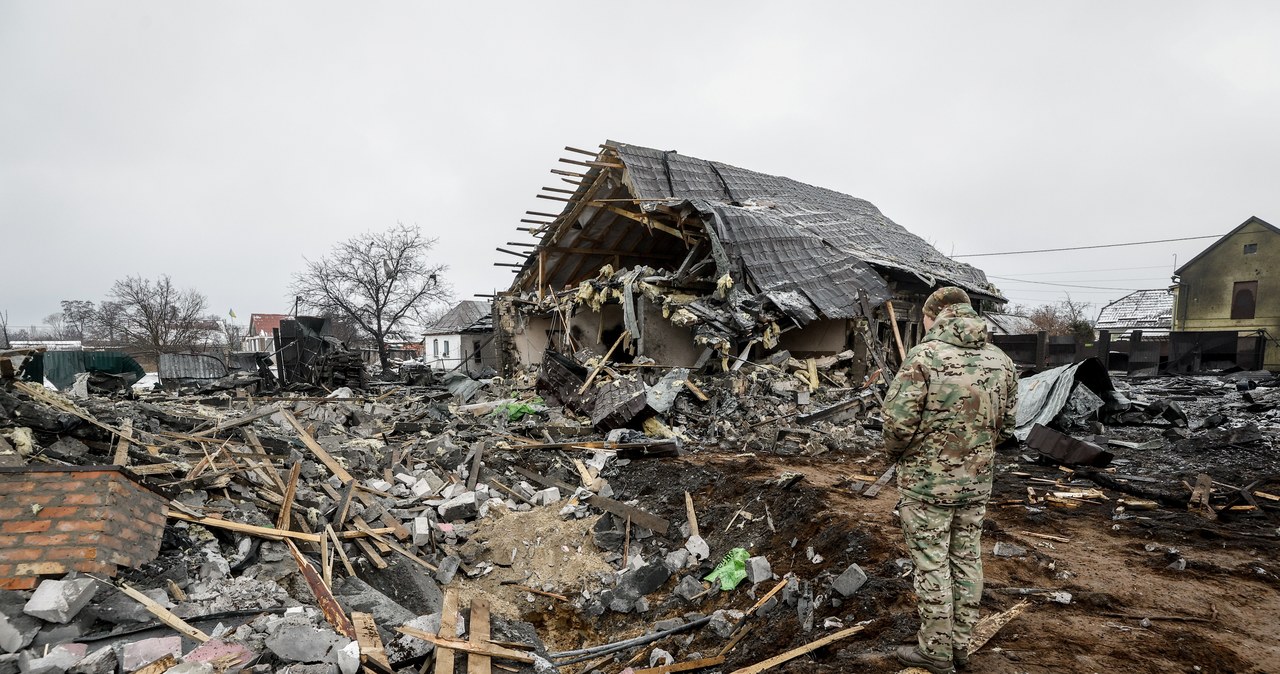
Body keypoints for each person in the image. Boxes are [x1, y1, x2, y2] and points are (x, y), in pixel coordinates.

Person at [882, 286, 1018, 674]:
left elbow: (896, 425)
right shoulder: (1001, 360)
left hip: (927, 486)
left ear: (933, 316)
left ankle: (936, 652)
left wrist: (898, 456)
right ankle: (960, 647)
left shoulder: (924, 357)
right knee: (967, 558)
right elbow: (1008, 427)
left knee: (932, 564)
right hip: (976, 483)